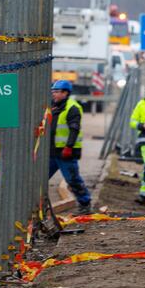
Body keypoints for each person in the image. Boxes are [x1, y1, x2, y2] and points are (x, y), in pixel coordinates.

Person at [49, 80, 92, 215]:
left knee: (72, 179)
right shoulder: (53, 106)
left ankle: (85, 203)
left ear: (65, 93)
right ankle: (40, 205)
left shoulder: (72, 108)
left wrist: (68, 147)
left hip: (66, 152)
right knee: (39, 179)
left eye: (56, 92)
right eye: (53, 92)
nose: (53, 94)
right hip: (51, 151)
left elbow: (74, 129)